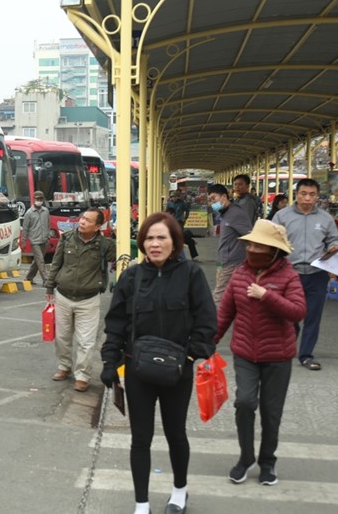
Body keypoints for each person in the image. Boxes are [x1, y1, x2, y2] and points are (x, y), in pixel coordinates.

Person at [100, 212, 217, 514]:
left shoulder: (191, 274)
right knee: (141, 438)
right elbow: (116, 323)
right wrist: (110, 361)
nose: (154, 244)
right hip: (138, 370)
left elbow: (206, 321)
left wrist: (191, 355)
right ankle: (142, 503)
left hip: (178, 370)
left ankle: (180, 490)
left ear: (175, 241)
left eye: (161, 237)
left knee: (176, 433)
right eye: (149, 238)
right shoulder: (131, 276)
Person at [216, 219, 306, 487]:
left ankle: (268, 462)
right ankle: (245, 458)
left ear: (275, 251)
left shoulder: (288, 276)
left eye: (260, 246)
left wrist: (267, 295)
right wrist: (208, 344)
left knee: (271, 411)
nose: (253, 249)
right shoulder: (240, 275)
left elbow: (298, 311)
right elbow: (225, 313)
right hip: (244, 353)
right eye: (251, 244)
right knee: (244, 402)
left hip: (278, 356)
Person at [271, 178, 338, 371]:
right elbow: (272, 242)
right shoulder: (281, 216)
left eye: (312, 195)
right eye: (303, 194)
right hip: (289, 273)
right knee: (288, 314)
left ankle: (306, 355)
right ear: (297, 194)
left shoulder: (325, 218)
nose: (307, 198)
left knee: (313, 315)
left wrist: (335, 247)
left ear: (317, 196)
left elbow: (333, 239)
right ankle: (286, 347)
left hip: (316, 273)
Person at [45, 207, 116, 392]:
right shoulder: (67, 238)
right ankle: (64, 367)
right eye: (82, 218)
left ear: (98, 226)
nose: (82, 222)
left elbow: (123, 254)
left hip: (89, 300)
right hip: (63, 296)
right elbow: (56, 264)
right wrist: (49, 287)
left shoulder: (105, 245)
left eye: (88, 220)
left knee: (86, 341)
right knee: (62, 337)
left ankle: (82, 376)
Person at [207, 184, 253, 304]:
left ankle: (212, 321)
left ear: (224, 196)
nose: (212, 203)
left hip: (232, 262)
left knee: (218, 297)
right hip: (225, 261)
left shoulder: (236, 213)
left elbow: (249, 236)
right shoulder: (226, 213)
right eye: (210, 200)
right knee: (231, 296)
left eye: (214, 198)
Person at [23, 190, 51, 284]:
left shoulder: (46, 211)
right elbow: (25, 228)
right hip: (34, 241)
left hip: (44, 240)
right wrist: (23, 241)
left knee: (37, 261)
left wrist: (48, 235)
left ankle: (29, 278)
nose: (39, 200)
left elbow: (48, 224)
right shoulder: (29, 213)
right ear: (34, 199)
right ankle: (46, 280)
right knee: (41, 260)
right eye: (37, 198)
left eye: (41, 198)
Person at [167, 189, 199, 262]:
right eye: (172, 197)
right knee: (182, 239)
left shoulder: (181, 203)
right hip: (171, 222)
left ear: (177, 197)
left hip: (179, 222)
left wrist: (186, 217)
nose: (174, 198)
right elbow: (167, 212)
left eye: (175, 197)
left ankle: (183, 255)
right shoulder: (169, 203)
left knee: (179, 237)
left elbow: (187, 210)